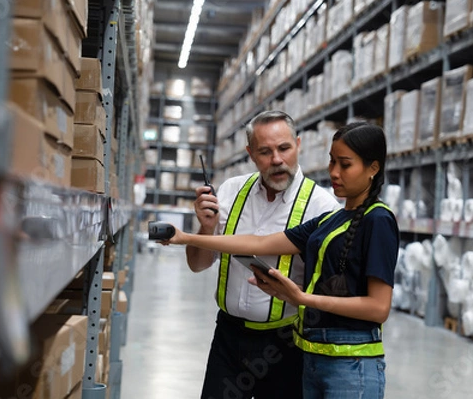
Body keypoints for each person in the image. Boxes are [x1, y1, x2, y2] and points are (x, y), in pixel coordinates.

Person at [169, 122, 399, 399]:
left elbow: (379, 307)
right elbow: (258, 242)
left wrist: (301, 298)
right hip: (312, 356)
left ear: (373, 168)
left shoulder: (377, 219)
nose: (334, 172)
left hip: (348, 363)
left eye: (345, 164)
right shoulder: (332, 219)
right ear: (251, 154)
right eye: (332, 161)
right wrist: (186, 237)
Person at [186, 110, 340, 399]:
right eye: (265, 152)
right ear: (250, 154)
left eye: (284, 148)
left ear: (298, 144)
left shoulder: (323, 207)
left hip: (285, 344)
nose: (277, 160)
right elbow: (197, 264)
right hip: (228, 338)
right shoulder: (231, 192)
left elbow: (330, 293)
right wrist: (205, 229)